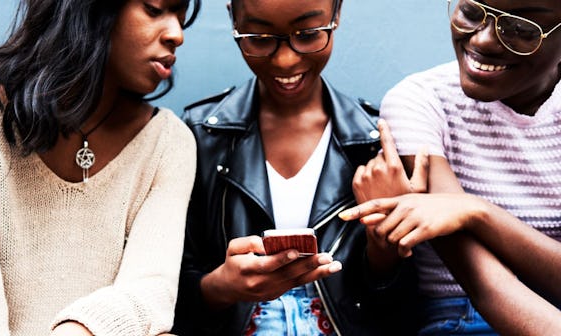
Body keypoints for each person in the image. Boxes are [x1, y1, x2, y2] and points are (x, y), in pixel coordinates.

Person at [0, 0, 200, 335]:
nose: (177, 35)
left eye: (181, 18)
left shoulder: (168, 142)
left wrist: (80, 329)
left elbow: (150, 290)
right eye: (155, 9)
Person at [172, 0, 418, 335]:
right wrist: (222, 286)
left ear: (337, 13)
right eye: (258, 37)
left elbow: (403, 311)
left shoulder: (376, 146)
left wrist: (385, 243)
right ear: (233, 18)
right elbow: (169, 293)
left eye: (308, 34)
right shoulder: (202, 136)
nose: (285, 59)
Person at [339, 0, 561, 334]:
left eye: (519, 29)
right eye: (472, 13)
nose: (482, 40)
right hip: (462, 318)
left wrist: (477, 211)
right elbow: (486, 286)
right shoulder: (421, 102)